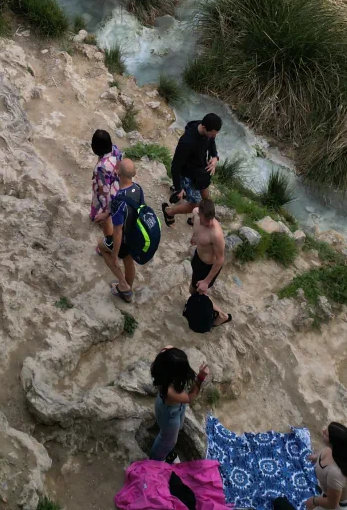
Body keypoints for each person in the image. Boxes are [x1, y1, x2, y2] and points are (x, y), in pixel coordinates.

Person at [149, 349, 209, 462]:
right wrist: (200, 377)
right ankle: (156, 460)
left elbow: (167, 349)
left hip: (173, 408)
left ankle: (164, 451)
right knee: (168, 440)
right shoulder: (170, 391)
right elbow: (189, 397)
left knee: (177, 428)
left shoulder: (163, 367)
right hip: (169, 414)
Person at [163, 115, 222, 226]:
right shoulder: (186, 142)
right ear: (204, 127)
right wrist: (178, 188)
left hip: (200, 172)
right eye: (213, 134)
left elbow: (211, 142)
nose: (214, 136)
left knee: (205, 199)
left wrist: (215, 157)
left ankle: (197, 218)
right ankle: (169, 212)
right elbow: (175, 165)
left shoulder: (207, 130)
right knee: (196, 204)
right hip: (187, 174)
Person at [99, 156, 141, 302]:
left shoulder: (119, 200)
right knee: (129, 261)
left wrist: (115, 255)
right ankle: (127, 290)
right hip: (135, 235)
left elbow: (117, 232)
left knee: (102, 247)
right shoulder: (138, 189)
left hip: (124, 239)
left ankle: (123, 285)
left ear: (118, 173)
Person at [190, 198, 229, 326]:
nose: (210, 223)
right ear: (200, 214)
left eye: (212, 219)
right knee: (192, 290)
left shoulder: (216, 234)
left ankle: (222, 316)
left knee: (197, 292)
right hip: (198, 258)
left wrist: (206, 282)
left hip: (208, 267)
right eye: (206, 220)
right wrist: (194, 237)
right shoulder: (195, 213)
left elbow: (220, 259)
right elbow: (197, 229)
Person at [306, 422, 347, 510]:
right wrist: (316, 457)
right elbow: (326, 451)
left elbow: (331, 504)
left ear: (333, 443)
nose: (323, 431)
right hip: (335, 490)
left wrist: (314, 501)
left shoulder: (335, 473)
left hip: (338, 505)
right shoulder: (346, 452)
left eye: (326, 434)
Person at [90, 128, 122, 252]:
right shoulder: (115, 150)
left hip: (108, 194)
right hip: (117, 184)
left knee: (105, 220)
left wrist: (106, 211)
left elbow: (104, 190)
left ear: (95, 148)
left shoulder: (101, 168)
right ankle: (95, 215)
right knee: (97, 208)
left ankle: (109, 244)